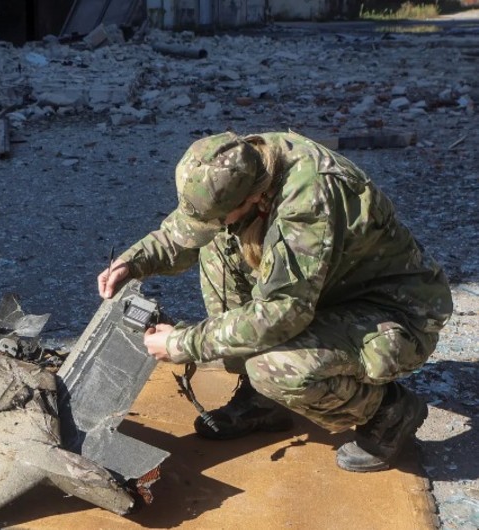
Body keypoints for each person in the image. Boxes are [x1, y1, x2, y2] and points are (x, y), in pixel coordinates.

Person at [97, 131, 453, 472]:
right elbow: (192, 227)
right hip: (328, 294)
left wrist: (183, 343)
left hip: (394, 315)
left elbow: (282, 313)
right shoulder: (243, 163)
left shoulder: (308, 203)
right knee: (218, 245)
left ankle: (388, 412)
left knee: (274, 367)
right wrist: (134, 261)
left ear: (253, 198)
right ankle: (262, 400)